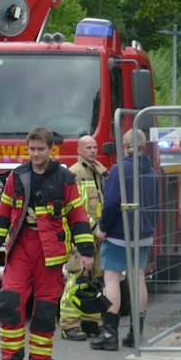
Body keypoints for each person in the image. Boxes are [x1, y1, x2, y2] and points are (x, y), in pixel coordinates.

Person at [0, 126, 95, 360]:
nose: (35, 154)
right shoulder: (17, 176)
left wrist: (86, 251)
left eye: (40, 149)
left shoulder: (64, 178)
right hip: (21, 248)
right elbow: (3, 213)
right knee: (9, 303)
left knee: (45, 311)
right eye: (32, 149)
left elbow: (77, 215)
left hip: (51, 253)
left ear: (50, 149)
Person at [93, 128, 157, 352]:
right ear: (144, 145)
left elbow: (111, 203)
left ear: (124, 146)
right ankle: (135, 334)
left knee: (111, 279)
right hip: (144, 233)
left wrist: (103, 228)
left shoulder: (119, 170)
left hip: (120, 234)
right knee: (138, 278)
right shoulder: (151, 172)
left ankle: (110, 334)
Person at [59, 136, 107, 341]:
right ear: (79, 150)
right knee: (76, 277)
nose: (93, 151)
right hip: (82, 234)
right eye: (88, 147)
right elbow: (74, 206)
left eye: (95, 147)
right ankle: (69, 325)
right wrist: (94, 228)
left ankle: (91, 323)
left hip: (97, 235)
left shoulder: (97, 171)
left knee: (94, 279)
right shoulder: (74, 173)